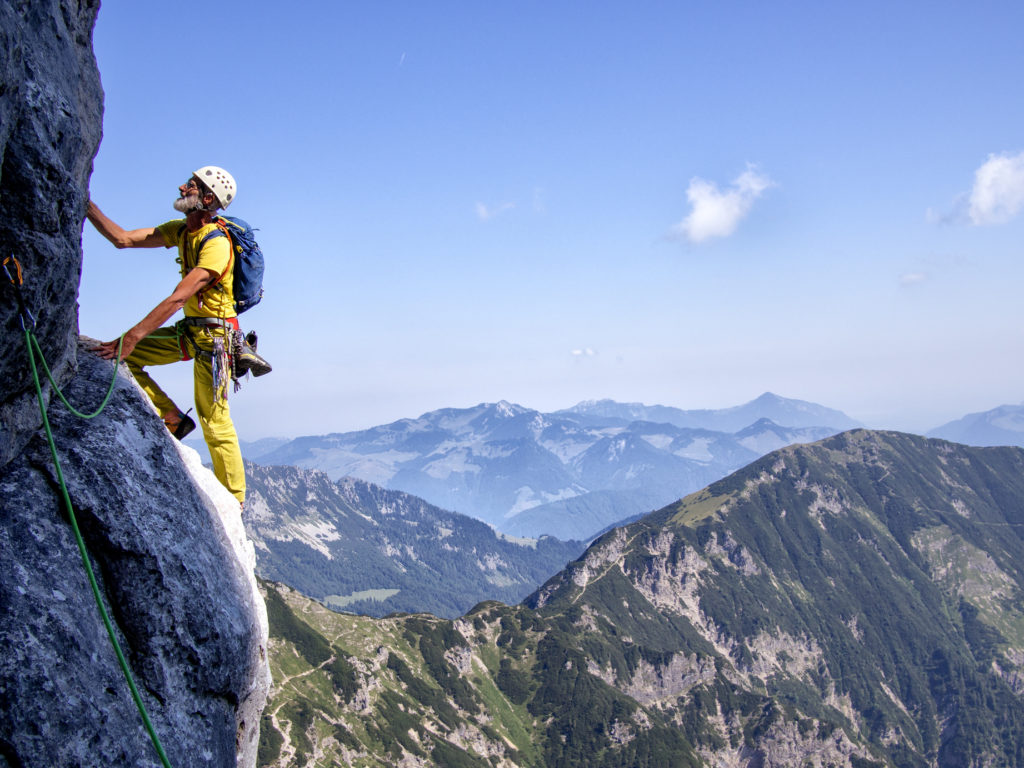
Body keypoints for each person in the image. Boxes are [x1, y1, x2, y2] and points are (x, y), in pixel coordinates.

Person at [87, 166, 246, 506]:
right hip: (192, 332)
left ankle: (235, 501)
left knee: (215, 422)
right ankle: (172, 418)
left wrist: (132, 336)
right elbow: (123, 239)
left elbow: (178, 297)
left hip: (215, 341)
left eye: (190, 185)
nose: (180, 186)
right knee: (125, 357)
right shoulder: (181, 231)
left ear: (206, 198)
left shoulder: (216, 244)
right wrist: (87, 206)